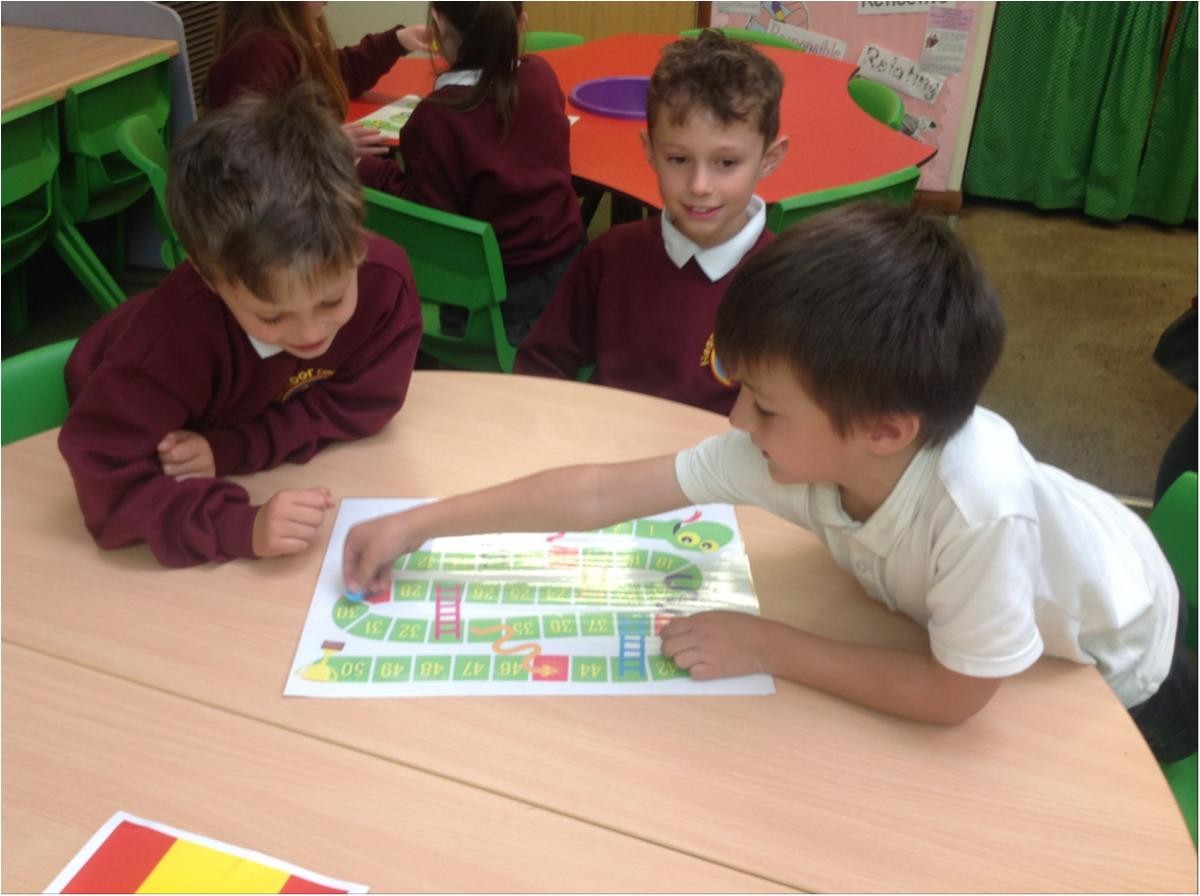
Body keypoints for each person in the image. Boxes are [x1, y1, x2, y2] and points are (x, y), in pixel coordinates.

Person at [343, 203, 1194, 763]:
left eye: (768, 406)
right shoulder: (800, 444)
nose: (738, 423)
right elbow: (602, 493)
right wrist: (425, 523)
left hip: (1113, 659)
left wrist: (766, 645)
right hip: (971, 609)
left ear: (881, 431)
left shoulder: (979, 510)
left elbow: (956, 694)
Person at [59, 89, 423, 569]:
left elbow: (365, 402)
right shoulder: (170, 339)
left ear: (356, 246)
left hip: (236, 418)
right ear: (210, 279)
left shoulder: (385, 283)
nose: (312, 333)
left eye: (332, 299)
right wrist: (241, 527)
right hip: (127, 406)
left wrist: (231, 449)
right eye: (272, 316)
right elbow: (106, 480)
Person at [514, 29, 788, 415]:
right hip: (606, 457)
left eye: (727, 163)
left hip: (717, 473)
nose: (699, 186)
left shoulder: (787, 285)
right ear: (651, 151)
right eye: (678, 159)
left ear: (769, 159)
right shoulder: (610, 256)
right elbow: (541, 365)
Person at [364, 1, 585, 346]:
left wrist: (368, 170)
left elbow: (429, 219)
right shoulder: (541, 74)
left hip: (492, 305)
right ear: (520, 24)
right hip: (570, 278)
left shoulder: (435, 118)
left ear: (437, 25)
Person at [205, 1, 428, 159]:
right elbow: (254, 150)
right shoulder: (262, 53)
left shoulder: (278, 40)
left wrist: (398, 41)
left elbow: (334, 74)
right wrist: (326, 144)